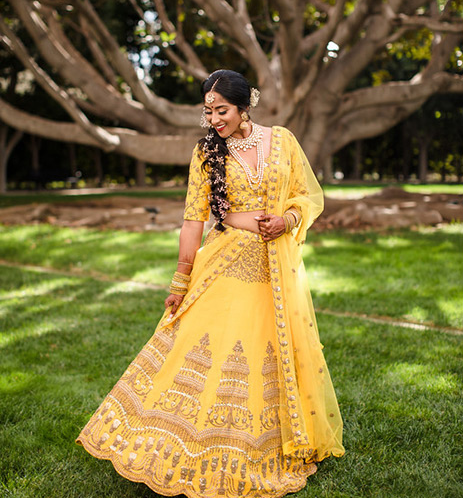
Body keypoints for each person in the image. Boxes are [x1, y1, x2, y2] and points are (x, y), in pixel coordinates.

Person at [76, 70, 345, 498]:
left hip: (276, 268)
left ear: (244, 107)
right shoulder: (205, 153)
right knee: (210, 347)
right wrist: (180, 281)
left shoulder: (283, 141)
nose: (214, 119)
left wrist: (288, 219)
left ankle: (271, 443)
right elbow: (192, 220)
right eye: (208, 111)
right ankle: (192, 446)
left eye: (221, 110)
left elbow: (308, 196)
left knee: (269, 349)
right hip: (225, 263)